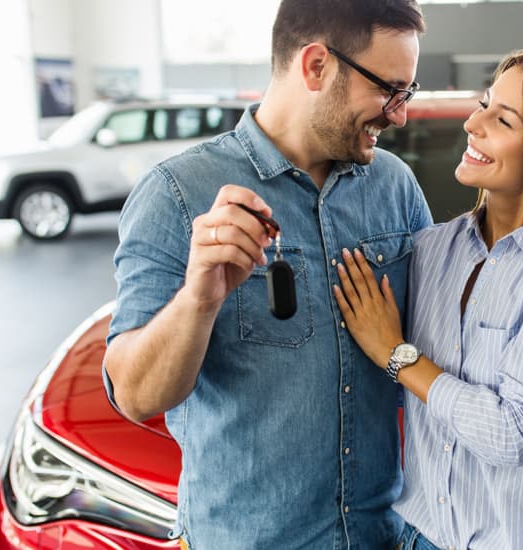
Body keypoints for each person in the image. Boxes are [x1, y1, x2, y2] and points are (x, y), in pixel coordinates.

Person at [103, 1, 428, 547]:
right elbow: (135, 396)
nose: (398, 115)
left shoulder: (395, 187)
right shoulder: (176, 194)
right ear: (317, 66)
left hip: (383, 537)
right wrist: (199, 300)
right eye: (388, 90)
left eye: (407, 93)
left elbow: (444, 342)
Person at [332, 51, 523, 550]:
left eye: (503, 120)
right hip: (422, 537)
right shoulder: (431, 249)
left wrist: (397, 354)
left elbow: (513, 434)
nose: (473, 124)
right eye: (483, 106)